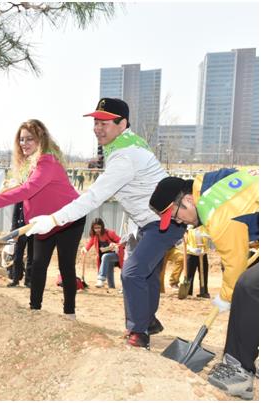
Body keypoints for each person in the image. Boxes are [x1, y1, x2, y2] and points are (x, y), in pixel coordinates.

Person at [26, 99, 186, 346]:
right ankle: (148, 321)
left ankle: (138, 332)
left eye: (104, 123)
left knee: (132, 273)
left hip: (164, 221)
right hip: (150, 222)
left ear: (122, 124)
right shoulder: (128, 145)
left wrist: (54, 219)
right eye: (95, 122)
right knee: (148, 273)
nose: (97, 128)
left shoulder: (125, 156)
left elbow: (93, 197)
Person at [149, 169, 258, 399]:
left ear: (187, 199)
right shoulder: (209, 186)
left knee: (248, 286)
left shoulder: (215, 211)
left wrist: (225, 297)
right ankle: (237, 362)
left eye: (176, 216)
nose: (180, 222)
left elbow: (235, 265)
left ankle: (239, 370)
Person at [0, 119, 84, 319]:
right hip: (44, 222)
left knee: (66, 266)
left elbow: (28, 190)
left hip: (68, 219)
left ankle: (70, 313)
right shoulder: (27, 165)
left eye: (29, 139)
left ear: (41, 139)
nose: (24, 144)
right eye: (21, 140)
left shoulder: (48, 161)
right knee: (38, 263)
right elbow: (18, 187)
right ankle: (35, 310)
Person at [81, 218, 124, 289]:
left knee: (105, 256)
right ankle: (112, 288)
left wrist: (115, 244)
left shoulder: (110, 233)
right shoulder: (95, 236)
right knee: (109, 271)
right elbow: (90, 243)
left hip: (117, 255)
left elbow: (122, 242)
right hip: (107, 258)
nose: (97, 229)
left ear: (102, 226)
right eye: (95, 228)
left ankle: (101, 279)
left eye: (99, 227)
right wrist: (85, 249)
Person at [7, 202, 34, 287]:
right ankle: (15, 279)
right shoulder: (19, 200)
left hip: (33, 230)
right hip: (21, 230)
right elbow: (15, 215)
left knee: (31, 256)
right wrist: (14, 232)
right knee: (17, 256)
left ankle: (28, 280)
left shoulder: (37, 198)